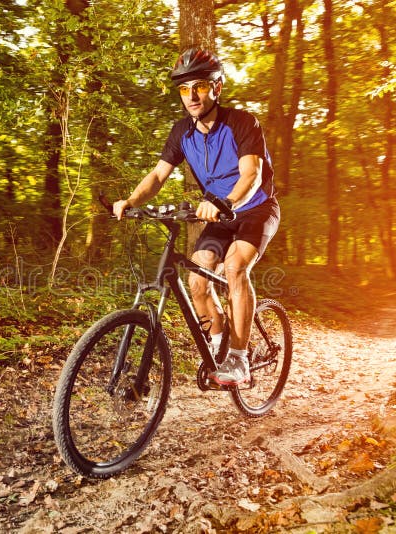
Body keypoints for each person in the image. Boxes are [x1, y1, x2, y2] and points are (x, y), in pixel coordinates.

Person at [113, 47, 280, 387]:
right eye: (184, 89)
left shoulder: (242, 123)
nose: (191, 96)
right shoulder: (182, 132)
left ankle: (239, 359)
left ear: (216, 88)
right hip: (219, 216)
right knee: (197, 280)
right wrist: (130, 200)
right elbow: (158, 175)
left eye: (200, 87)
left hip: (256, 209)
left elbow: (251, 174)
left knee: (234, 268)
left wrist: (225, 201)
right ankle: (218, 345)